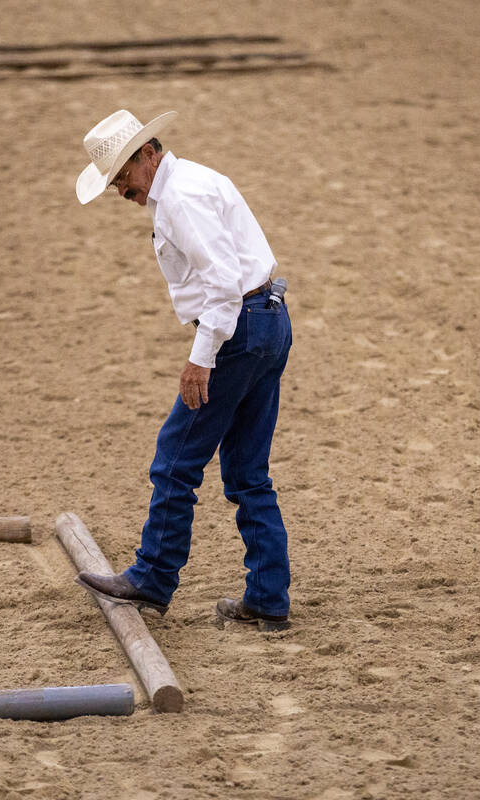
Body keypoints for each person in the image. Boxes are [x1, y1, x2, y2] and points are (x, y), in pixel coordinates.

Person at [72, 109, 295, 632]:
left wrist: (201, 358)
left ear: (148, 153)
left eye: (122, 176)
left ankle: (152, 577)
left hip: (237, 327)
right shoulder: (192, 182)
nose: (121, 190)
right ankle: (267, 598)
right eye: (115, 183)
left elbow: (220, 284)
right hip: (269, 319)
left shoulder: (181, 198)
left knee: (175, 459)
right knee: (246, 472)